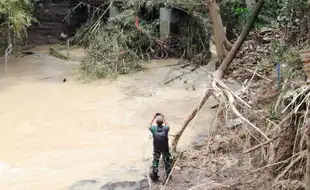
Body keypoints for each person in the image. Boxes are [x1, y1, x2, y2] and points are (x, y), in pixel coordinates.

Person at [148, 113, 172, 182]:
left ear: (156, 123)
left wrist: (153, 117)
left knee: (155, 161)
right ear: (162, 123)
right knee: (166, 161)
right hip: (165, 148)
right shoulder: (165, 128)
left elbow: (149, 125)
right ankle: (168, 175)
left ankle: (155, 175)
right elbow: (168, 125)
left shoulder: (154, 129)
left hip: (157, 148)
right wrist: (163, 117)